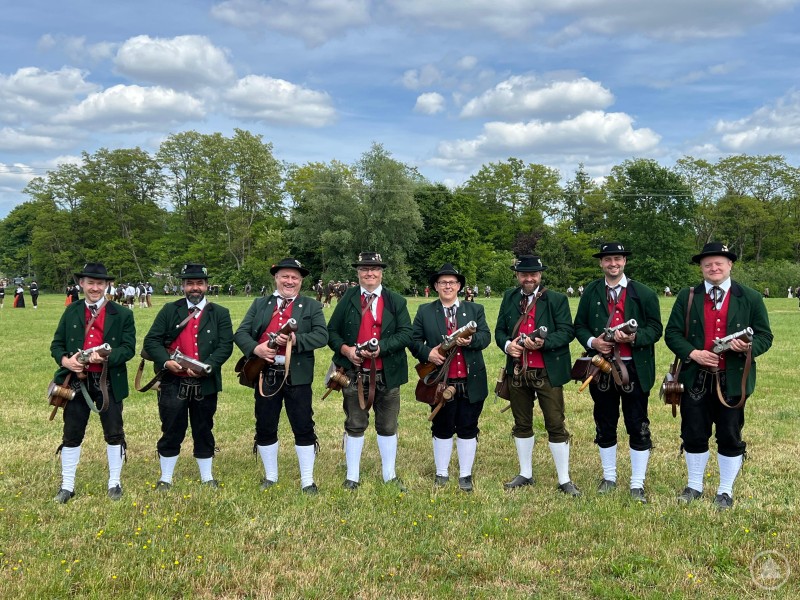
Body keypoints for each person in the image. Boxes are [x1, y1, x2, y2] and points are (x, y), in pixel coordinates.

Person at [665, 242, 773, 510]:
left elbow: (765, 336)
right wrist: (694, 353)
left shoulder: (749, 297)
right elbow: (672, 334)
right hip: (696, 377)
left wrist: (748, 347)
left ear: (730, 265)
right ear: (701, 268)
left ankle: (725, 490)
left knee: (729, 434)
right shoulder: (687, 296)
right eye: (708, 264)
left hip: (733, 377)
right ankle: (694, 486)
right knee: (693, 433)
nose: (714, 268)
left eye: (719, 263)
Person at [574, 242, 663, 503]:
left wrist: (634, 338)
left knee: (638, 424)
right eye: (608, 260)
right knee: (605, 422)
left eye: (617, 259)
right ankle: (609, 477)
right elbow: (579, 326)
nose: (613, 263)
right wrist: (594, 343)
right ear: (601, 263)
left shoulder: (644, 293)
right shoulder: (591, 291)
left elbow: (656, 329)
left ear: (625, 261)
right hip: (601, 367)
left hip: (634, 367)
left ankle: (637, 483)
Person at [234, 258, 328, 493]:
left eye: (294, 277)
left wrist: (296, 340)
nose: (290, 281)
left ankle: (307, 479)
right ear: (276, 278)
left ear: (301, 281)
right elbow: (242, 333)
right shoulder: (260, 303)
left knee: (303, 425)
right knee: (265, 425)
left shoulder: (311, 306)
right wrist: (257, 349)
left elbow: (321, 336)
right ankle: (271, 476)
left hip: (297, 375)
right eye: (285, 276)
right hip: (265, 373)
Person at [49, 263, 136, 503]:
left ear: (107, 285)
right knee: (72, 433)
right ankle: (67, 485)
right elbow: (56, 345)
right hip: (77, 381)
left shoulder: (123, 314)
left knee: (114, 432)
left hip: (109, 380)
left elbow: (128, 349)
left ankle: (114, 483)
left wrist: (106, 358)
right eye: (90, 283)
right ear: (82, 284)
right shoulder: (71, 310)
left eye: (100, 283)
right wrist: (66, 361)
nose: (95, 288)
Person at [143, 263, 234, 490]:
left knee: (204, 428)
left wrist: (206, 367)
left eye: (199, 283)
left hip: (205, 382)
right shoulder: (169, 310)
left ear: (206, 286)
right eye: (190, 283)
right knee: (172, 428)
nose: (195, 288)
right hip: (173, 380)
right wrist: (166, 362)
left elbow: (225, 346)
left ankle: (207, 477)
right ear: (183, 286)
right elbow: (151, 341)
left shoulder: (220, 313)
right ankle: (166, 478)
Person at [495, 255, 580, 496]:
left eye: (533, 274)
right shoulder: (509, 297)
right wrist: (507, 345)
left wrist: (543, 343)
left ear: (540, 275)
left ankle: (564, 479)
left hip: (547, 372)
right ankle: (525, 473)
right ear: (517, 276)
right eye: (524, 274)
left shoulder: (556, 299)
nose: (529, 278)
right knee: (521, 423)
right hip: (518, 371)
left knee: (555, 423)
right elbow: (500, 330)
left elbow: (566, 332)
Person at [327, 251, 413, 490]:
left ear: (381, 272)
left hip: (388, 372)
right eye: (364, 269)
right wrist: (346, 350)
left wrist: (381, 348)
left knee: (387, 425)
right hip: (354, 372)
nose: (369, 273)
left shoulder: (396, 300)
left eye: (374, 269)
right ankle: (352, 476)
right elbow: (331, 331)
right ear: (358, 273)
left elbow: (406, 333)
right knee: (354, 422)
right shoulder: (348, 298)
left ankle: (389, 475)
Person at [410, 264, 491, 491]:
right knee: (441, 426)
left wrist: (471, 341)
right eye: (443, 282)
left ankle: (465, 475)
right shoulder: (425, 311)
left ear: (459, 286)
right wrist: (429, 353)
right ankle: (442, 473)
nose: (448, 286)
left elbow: (485, 337)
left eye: (452, 282)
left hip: (470, 379)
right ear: (435, 286)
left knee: (468, 426)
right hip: (440, 380)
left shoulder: (476, 310)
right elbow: (414, 340)